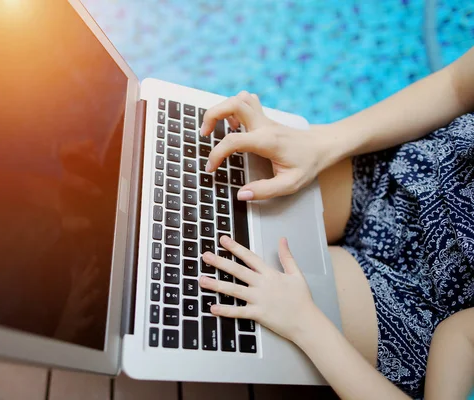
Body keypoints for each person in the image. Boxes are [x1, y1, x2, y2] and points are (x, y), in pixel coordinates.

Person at [198, 46, 474, 399]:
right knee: (211, 188)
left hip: (430, 301)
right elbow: (455, 85)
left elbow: (459, 337)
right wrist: (319, 143)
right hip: (419, 173)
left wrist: (305, 323)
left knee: (226, 297)